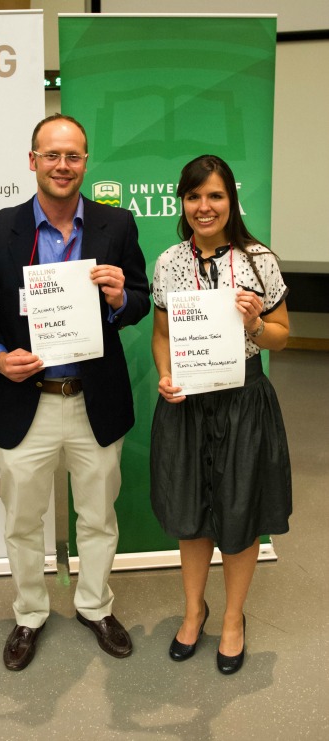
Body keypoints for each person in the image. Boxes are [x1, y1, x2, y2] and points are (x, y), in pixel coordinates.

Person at [0, 113, 150, 670]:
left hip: (94, 399)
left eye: (73, 156)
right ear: (33, 161)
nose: (62, 165)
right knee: (23, 521)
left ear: (85, 162)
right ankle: (29, 614)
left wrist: (121, 297)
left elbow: (140, 296)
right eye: (52, 155)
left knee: (98, 516)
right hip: (27, 401)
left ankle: (95, 605)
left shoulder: (116, 224)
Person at [150, 154, 292, 675]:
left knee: (239, 512)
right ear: (182, 204)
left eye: (215, 196)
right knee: (191, 516)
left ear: (231, 201)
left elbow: (282, 334)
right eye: (194, 197)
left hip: (243, 401)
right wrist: (166, 375)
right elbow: (162, 335)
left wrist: (255, 324)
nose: (204, 207)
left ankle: (233, 618)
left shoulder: (259, 261)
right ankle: (194, 611)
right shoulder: (168, 262)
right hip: (188, 403)